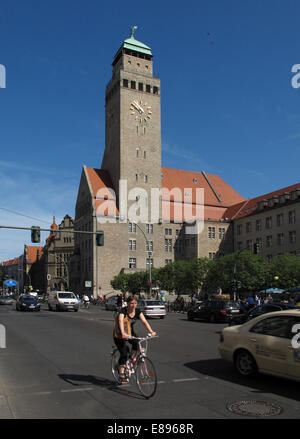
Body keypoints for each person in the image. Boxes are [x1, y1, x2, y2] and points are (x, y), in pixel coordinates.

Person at [113, 295, 157, 384]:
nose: (134, 305)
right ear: (128, 303)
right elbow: (121, 321)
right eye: (132, 303)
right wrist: (123, 333)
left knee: (137, 343)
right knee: (124, 352)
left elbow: (145, 322)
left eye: (135, 303)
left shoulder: (137, 311)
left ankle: (131, 358)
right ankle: (121, 372)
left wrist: (152, 332)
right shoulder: (123, 311)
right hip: (119, 334)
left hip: (130, 332)